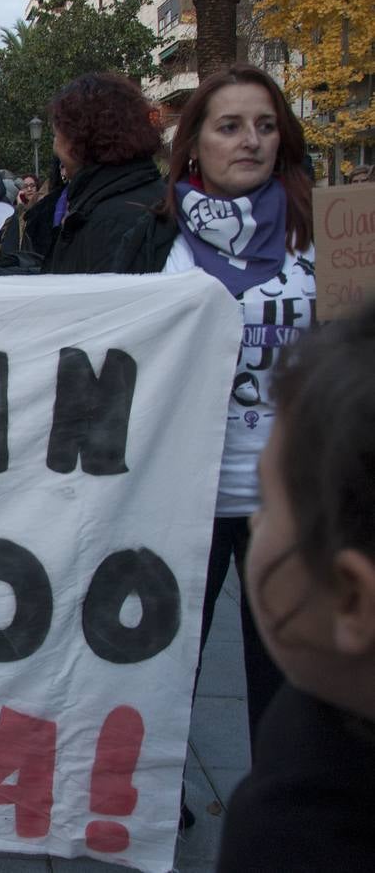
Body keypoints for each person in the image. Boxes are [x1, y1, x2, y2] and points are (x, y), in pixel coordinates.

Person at [115, 65, 314, 759]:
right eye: (230, 126)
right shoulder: (152, 240)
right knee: (161, 668)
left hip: (296, 500)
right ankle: (147, 803)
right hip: (179, 502)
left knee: (290, 684)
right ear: (194, 144)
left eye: (265, 126)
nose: (250, 141)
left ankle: (284, 823)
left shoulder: (325, 233)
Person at [215, 301, 375, 871]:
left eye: (269, 504)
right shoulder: (307, 725)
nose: (254, 522)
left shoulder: (291, 830)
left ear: (352, 598)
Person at [42, 73, 163, 273]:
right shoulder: (150, 194)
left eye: (56, 134)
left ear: (78, 138)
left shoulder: (108, 221)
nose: (55, 147)